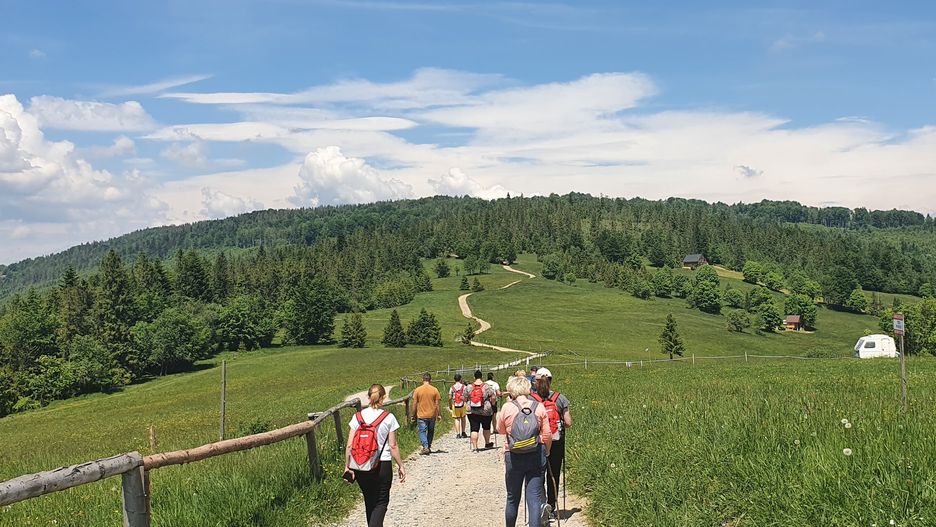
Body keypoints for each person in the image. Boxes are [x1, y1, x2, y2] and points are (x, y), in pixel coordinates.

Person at [345, 384, 406, 527]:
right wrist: (401, 465)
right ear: (383, 397)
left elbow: (349, 445)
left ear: (367, 397)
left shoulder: (357, 417)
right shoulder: (388, 417)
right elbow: (393, 446)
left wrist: (347, 467)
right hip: (382, 464)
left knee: (369, 500)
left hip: (361, 464)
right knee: (381, 502)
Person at [497, 375, 552, 527]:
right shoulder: (538, 406)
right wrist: (546, 452)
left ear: (511, 390)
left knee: (512, 497)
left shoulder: (507, 407)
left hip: (513, 455)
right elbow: (547, 434)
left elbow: (500, 430)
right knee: (534, 497)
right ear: (528, 389)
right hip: (536, 454)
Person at [532, 368, 572, 520]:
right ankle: (552, 507)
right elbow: (568, 423)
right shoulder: (560, 398)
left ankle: (540, 506)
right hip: (556, 442)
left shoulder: (531, 399)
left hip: (537, 442)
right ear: (551, 380)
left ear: (536, 382)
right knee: (553, 474)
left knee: (537, 475)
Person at [411, 372, 442, 454]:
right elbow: (437, 404)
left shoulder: (417, 390)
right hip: (432, 414)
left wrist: (413, 414)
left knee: (422, 431)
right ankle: (428, 446)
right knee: (431, 431)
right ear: (430, 380)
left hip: (421, 414)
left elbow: (414, 403)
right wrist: (439, 414)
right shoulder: (435, 390)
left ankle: (425, 447)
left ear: (422, 380)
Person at [467, 370, 497, 451]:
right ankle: (487, 443)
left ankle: (475, 447)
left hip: (472, 410)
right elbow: (493, 397)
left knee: (474, 429)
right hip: (485, 411)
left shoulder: (469, 387)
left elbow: (464, 397)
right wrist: (493, 405)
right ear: (482, 377)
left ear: (474, 377)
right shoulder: (486, 386)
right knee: (486, 427)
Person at [448, 373, 469, 439]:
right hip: (463, 404)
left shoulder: (452, 388)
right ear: (460, 379)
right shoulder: (464, 387)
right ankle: (463, 432)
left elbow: (449, 397)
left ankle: (457, 434)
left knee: (457, 419)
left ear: (454, 379)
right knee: (463, 418)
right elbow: (467, 396)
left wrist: (450, 404)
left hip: (455, 404)